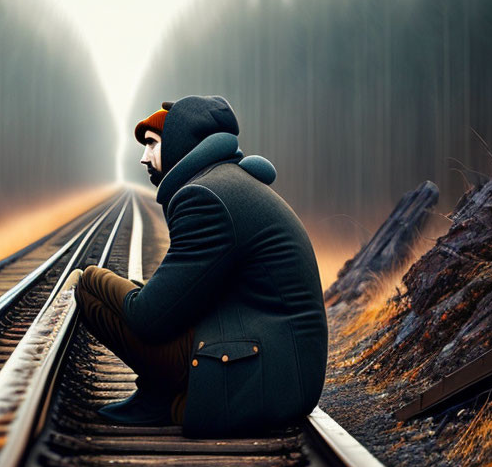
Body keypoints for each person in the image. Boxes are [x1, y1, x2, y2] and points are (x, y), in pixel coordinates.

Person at [71, 95, 328, 437]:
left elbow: (150, 318)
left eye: (152, 144)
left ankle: (173, 400)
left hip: (263, 375)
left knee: (90, 288)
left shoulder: (206, 196)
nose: (143, 157)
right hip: (281, 365)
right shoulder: (223, 182)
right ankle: (162, 395)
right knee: (137, 293)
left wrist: (95, 278)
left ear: (180, 144)